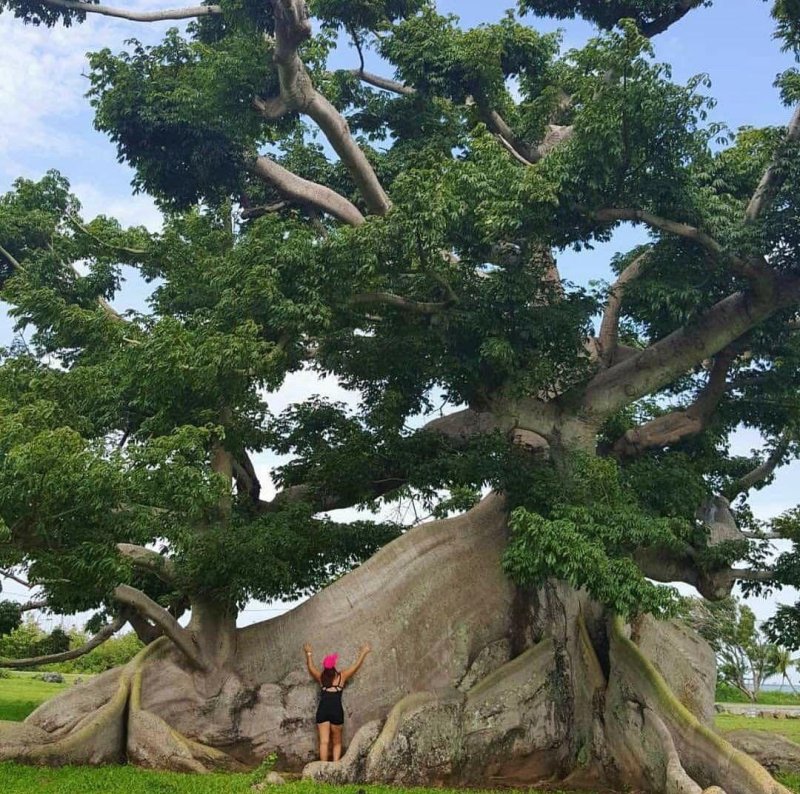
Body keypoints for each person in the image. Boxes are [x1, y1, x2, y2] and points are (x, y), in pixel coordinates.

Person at [303, 641, 371, 762]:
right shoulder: (342, 676)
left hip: (323, 711)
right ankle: (335, 767)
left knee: (324, 742)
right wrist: (363, 652)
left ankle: (323, 768)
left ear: (325, 667)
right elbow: (356, 666)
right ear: (334, 666)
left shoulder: (321, 678)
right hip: (336, 712)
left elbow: (311, 667)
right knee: (337, 742)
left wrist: (309, 653)